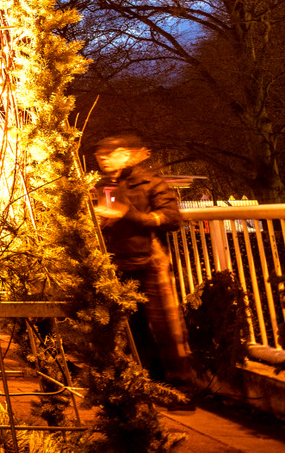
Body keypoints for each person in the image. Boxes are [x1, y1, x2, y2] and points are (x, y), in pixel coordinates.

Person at [92, 132, 196, 390]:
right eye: (99, 155)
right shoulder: (107, 186)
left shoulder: (150, 182)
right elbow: (110, 220)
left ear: (126, 154)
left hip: (150, 263)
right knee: (132, 328)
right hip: (118, 265)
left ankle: (180, 386)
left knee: (166, 326)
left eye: (109, 154)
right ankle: (148, 380)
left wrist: (133, 216)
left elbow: (172, 218)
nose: (103, 159)